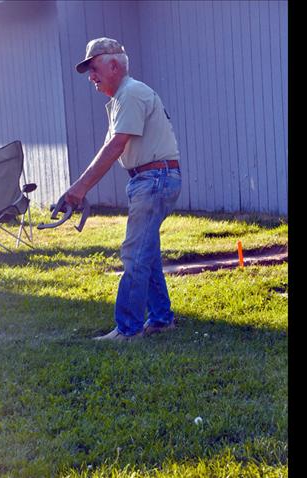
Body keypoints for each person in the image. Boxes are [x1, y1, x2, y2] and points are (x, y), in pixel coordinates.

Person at [64, 37, 182, 341]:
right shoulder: (121, 99)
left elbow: (116, 146)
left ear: (114, 64)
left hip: (154, 179)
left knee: (134, 253)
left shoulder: (130, 94)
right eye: (89, 71)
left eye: (94, 68)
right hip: (150, 179)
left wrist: (79, 188)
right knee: (147, 253)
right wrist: (79, 188)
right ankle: (160, 318)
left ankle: (128, 330)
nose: (91, 76)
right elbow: (110, 145)